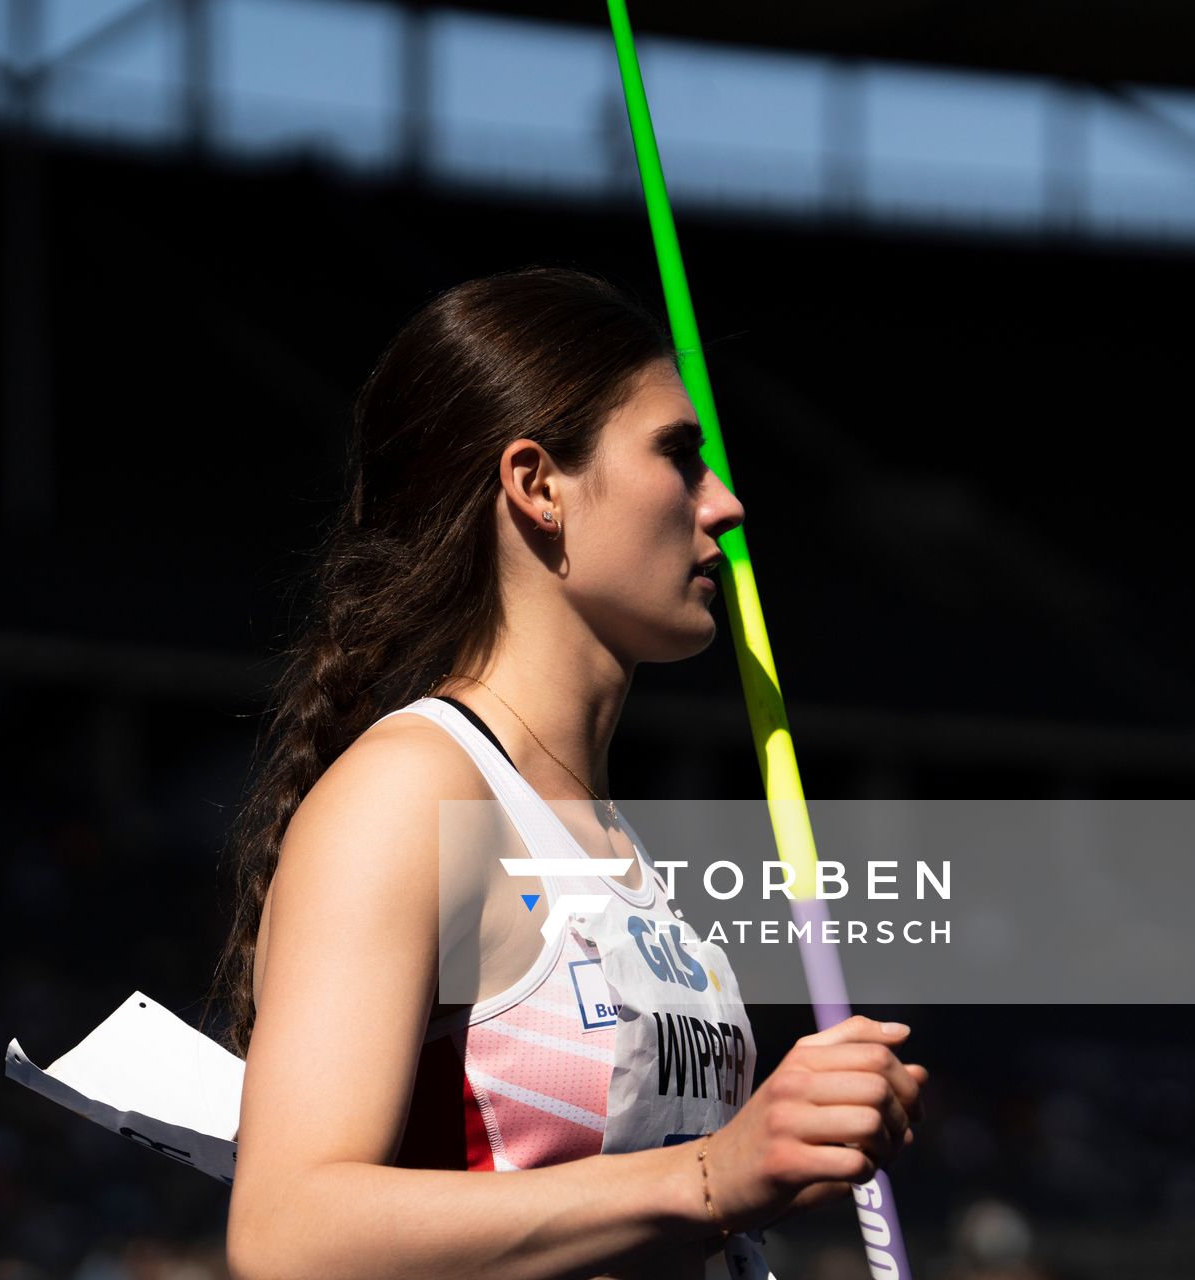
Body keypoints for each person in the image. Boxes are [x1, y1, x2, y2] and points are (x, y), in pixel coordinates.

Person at [206, 265, 927, 1280]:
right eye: (680, 456)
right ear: (537, 483)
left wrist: (786, 1158)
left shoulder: (605, 832)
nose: (726, 503)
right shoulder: (413, 791)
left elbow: (603, 1190)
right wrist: (709, 1176)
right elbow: (288, 1232)